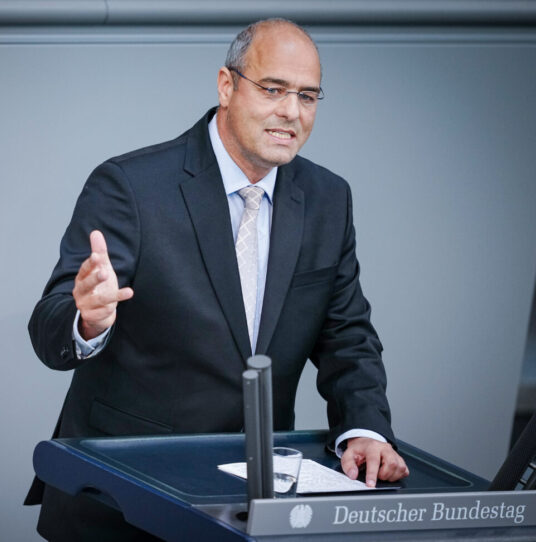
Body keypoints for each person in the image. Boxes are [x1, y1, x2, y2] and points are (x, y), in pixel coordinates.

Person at [26, 18, 409, 541]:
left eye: (308, 96)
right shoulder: (132, 186)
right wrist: (86, 321)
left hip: (252, 503)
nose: (291, 112)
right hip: (124, 499)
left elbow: (348, 334)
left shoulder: (327, 199)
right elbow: (50, 325)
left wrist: (364, 429)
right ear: (227, 86)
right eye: (273, 89)